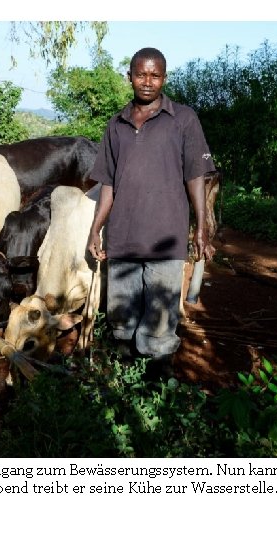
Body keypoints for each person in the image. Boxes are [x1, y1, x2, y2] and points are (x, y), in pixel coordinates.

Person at [87, 47, 215, 374]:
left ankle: (157, 385)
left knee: (160, 321)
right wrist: (95, 229)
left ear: (164, 78)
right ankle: (122, 382)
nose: (147, 82)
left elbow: (195, 178)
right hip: (123, 239)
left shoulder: (183, 120)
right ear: (129, 76)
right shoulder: (116, 125)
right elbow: (108, 187)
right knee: (121, 318)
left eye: (155, 75)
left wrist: (200, 228)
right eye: (141, 75)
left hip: (165, 240)